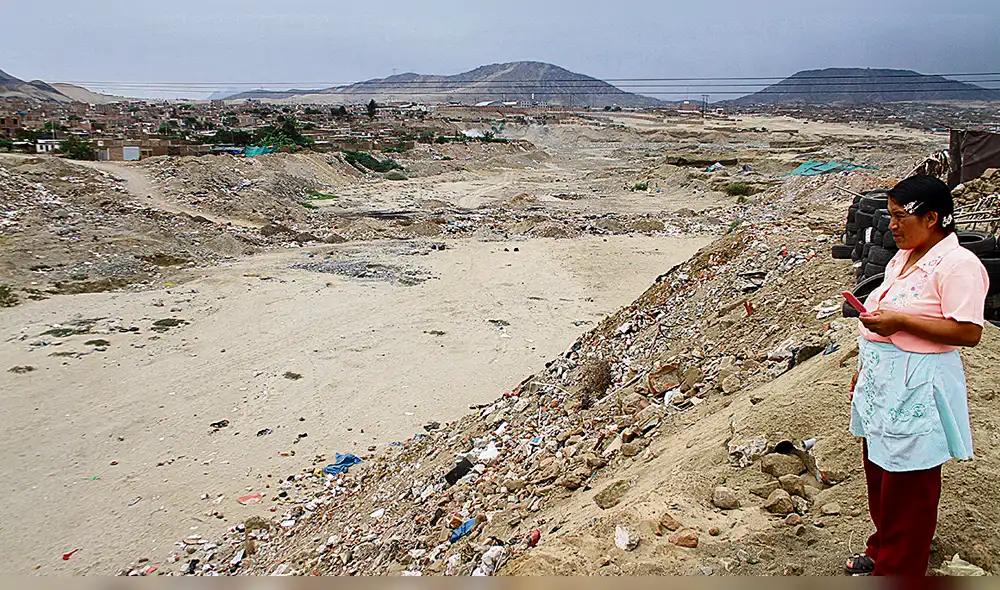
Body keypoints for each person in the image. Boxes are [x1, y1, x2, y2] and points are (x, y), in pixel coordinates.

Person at [844, 175, 989, 576]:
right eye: (889, 215)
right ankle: (884, 545)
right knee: (880, 468)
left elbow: (968, 331)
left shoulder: (959, 265)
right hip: (884, 380)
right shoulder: (901, 258)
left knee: (910, 479)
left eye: (899, 216)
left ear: (932, 217)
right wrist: (864, 371)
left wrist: (901, 322)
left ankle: (899, 568)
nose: (891, 225)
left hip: (918, 383)